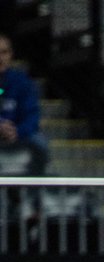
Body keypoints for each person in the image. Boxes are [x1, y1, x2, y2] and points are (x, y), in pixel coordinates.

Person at [0, 33, 48, 175]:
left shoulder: (22, 82)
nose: (0, 58)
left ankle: (33, 187)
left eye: (4, 52)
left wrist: (17, 131)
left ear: (11, 54)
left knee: (40, 141)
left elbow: (32, 116)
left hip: (17, 135)